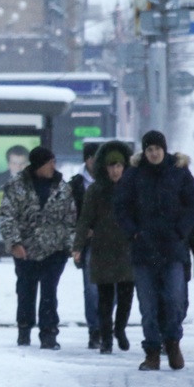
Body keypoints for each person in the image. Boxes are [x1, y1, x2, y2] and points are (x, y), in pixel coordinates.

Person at [113, 130, 194, 371]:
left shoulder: (179, 172)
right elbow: (121, 206)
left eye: (157, 149)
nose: (154, 153)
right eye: (149, 149)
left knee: (174, 299)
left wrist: (180, 231)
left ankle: (172, 343)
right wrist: (133, 232)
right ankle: (152, 350)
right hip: (143, 250)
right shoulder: (134, 175)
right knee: (148, 304)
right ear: (145, 151)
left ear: (164, 149)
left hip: (172, 249)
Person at [0, 146, 77, 349]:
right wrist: (15, 243)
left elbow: (71, 219)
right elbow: (7, 216)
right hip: (26, 250)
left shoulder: (62, 188)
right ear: (39, 165)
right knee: (26, 290)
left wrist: (70, 246)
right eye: (50, 162)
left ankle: (49, 334)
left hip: (54, 250)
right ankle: (24, 329)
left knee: (49, 291)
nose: (54, 166)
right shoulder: (17, 186)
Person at [72, 141, 134, 355]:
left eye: (119, 166)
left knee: (126, 296)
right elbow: (85, 219)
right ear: (104, 167)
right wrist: (78, 246)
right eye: (111, 166)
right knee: (105, 298)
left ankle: (120, 329)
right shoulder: (96, 190)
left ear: (125, 166)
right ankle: (105, 338)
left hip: (128, 250)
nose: (115, 171)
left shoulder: (133, 189)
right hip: (102, 249)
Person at [69, 141, 101, 349]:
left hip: (114, 243)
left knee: (115, 289)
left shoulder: (115, 180)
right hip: (89, 243)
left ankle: (104, 322)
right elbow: (70, 213)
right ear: (87, 160)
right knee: (91, 288)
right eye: (94, 158)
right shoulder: (76, 184)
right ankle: (95, 329)